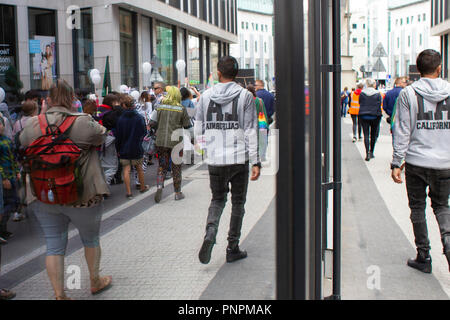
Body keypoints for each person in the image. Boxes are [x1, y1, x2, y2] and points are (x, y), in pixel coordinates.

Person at [19, 79, 112, 300]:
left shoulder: (33, 124)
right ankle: (95, 281)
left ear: (47, 100)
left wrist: (42, 116)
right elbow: (103, 135)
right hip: (83, 195)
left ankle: (60, 294)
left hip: (46, 194)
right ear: (73, 99)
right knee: (90, 239)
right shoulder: (83, 122)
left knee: (54, 245)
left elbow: (23, 142)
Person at [195, 56, 261, 265]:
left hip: (215, 159)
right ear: (237, 73)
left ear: (218, 72)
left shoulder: (205, 96)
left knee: (217, 199)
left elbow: (198, 127)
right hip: (238, 158)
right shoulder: (245, 96)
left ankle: (210, 232)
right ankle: (232, 247)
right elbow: (251, 130)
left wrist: (205, 149)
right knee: (238, 203)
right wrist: (256, 160)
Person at [391, 49, 450, 273]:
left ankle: (424, 257)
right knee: (442, 206)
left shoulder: (408, 93)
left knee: (417, 208)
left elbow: (403, 129)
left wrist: (397, 162)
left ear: (418, 69)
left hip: (417, 162)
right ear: (439, 68)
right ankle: (448, 242)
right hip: (445, 162)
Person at [150, 86, 192, 203]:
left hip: (161, 141)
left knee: (162, 165)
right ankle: (177, 192)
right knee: (176, 167)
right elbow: (187, 126)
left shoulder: (159, 106)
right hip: (176, 142)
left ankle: (159, 186)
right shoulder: (181, 108)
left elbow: (151, 122)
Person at [115, 94, 149, 199]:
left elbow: (118, 136)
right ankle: (143, 187)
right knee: (139, 168)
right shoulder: (139, 117)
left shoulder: (120, 119)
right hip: (136, 146)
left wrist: (118, 148)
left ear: (123, 105)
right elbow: (144, 132)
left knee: (126, 169)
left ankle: (129, 192)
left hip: (124, 147)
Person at [0, 116, 20, 242]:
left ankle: (3, 229)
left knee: (13, 201)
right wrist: (3, 178)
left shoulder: (6, 139)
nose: (1, 126)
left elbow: (13, 158)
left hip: (12, 174)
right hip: (5, 176)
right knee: (7, 202)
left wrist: (17, 171)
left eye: (1, 124)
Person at [359, 78, 383, 161]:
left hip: (364, 115)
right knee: (373, 134)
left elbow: (360, 102)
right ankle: (371, 152)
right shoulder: (377, 94)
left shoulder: (362, 93)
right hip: (375, 115)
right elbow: (380, 103)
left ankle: (366, 153)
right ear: (374, 84)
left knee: (366, 134)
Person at [247, 84, 269, 162]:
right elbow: (263, 113)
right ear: (254, 91)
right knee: (261, 140)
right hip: (259, 124)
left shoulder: (245, 101)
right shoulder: (259, 100)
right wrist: (266, 126)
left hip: (249, 125)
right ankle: (261, 156)